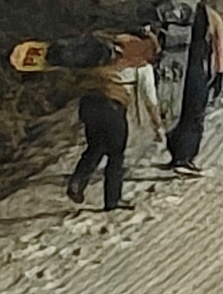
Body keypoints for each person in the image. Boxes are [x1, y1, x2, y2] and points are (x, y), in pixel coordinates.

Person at [66, 30, 164, 211]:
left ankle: (77, 181)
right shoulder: (142, 67)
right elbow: (150, 100)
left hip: (88, 104)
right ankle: (112, 200)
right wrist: (158, 125)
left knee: (95, 146)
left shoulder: (101, 60)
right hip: (112, 108)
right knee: (116, 154)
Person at [165, 0, 223, 175]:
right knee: (194, 113)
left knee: (175, 112)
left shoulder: (173, 13)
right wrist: (219, 73)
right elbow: (219, 47)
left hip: (173, 70)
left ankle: (175, 152)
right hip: (195, 69)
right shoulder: (211, 16)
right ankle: (184, 158)